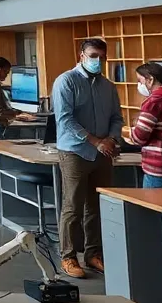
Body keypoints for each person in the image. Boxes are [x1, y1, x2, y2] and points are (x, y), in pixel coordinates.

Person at [52, 38, 123, 279]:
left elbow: (117, 117)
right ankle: (68, 256)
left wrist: (112, 139)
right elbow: (65, 119)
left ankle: (94, 254)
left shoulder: (108, 86)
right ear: (82, 55)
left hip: (103, 153)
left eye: (102, 57)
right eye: (93, 56)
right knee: (73, 206)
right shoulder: (66, 81)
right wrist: (95, 141)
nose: (98, 61)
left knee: (96, 205)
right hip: (75, 152)